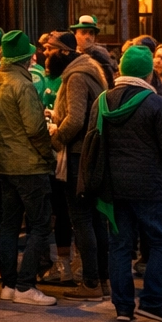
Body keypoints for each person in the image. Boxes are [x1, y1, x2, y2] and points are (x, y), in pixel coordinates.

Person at [88, 45, 162, 322]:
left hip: (112, 187)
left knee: (120, 245)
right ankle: (152, 301)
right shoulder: (154, 103)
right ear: (149, 73)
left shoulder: (103, 101)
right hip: (150, 185)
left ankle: (123, 307)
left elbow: (93, 141)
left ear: (121, 70)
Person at [0, 30, 57, 306]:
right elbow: (35, 129)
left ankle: (8, 284)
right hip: (29, 166)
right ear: (26, 58)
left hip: (3, 164)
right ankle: (26, 285)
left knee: (9, 226)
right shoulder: (23, 85)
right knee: (40, 224)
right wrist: (47, 156)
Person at [51, 22, 112, 299]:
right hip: (92, 153)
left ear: (63, 53)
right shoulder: (90, 71)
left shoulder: (75, 76)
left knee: (82, 219)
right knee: (97, 219)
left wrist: (57, 136)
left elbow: (76, 118)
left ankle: (90, 282)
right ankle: (103, 279)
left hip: (78, 155)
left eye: (50, 50)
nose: (46, 54)